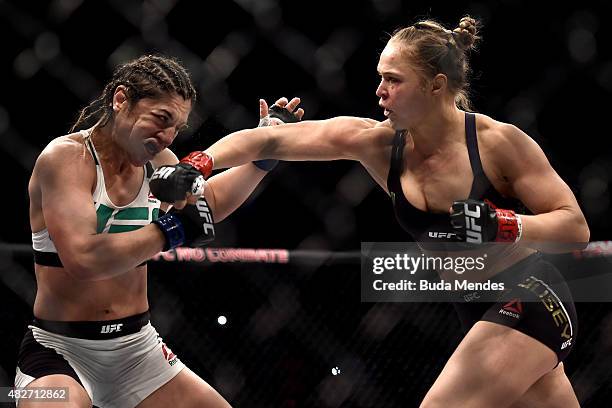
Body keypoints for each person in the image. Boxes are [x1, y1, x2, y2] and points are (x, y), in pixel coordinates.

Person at [154, 17, 590, 407]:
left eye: (393, 80)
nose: (379, 91)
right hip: (472, 305)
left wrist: (504, 225)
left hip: (530, 295)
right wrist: (197, 164)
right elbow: (268, 141)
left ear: (436, 86)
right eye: (380, 78)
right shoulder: (379, 144)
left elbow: (574, 226)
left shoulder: (496, 143)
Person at [16, 54, 302, 408]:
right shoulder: (66, 159)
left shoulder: (158, 163)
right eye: (160, 119)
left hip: (136, 349)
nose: (165, 137)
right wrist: (170, 231)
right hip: (60, 351)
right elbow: (83, 259)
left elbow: (206, 203)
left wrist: (260, 159)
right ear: (120, 100)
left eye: (176, 128)